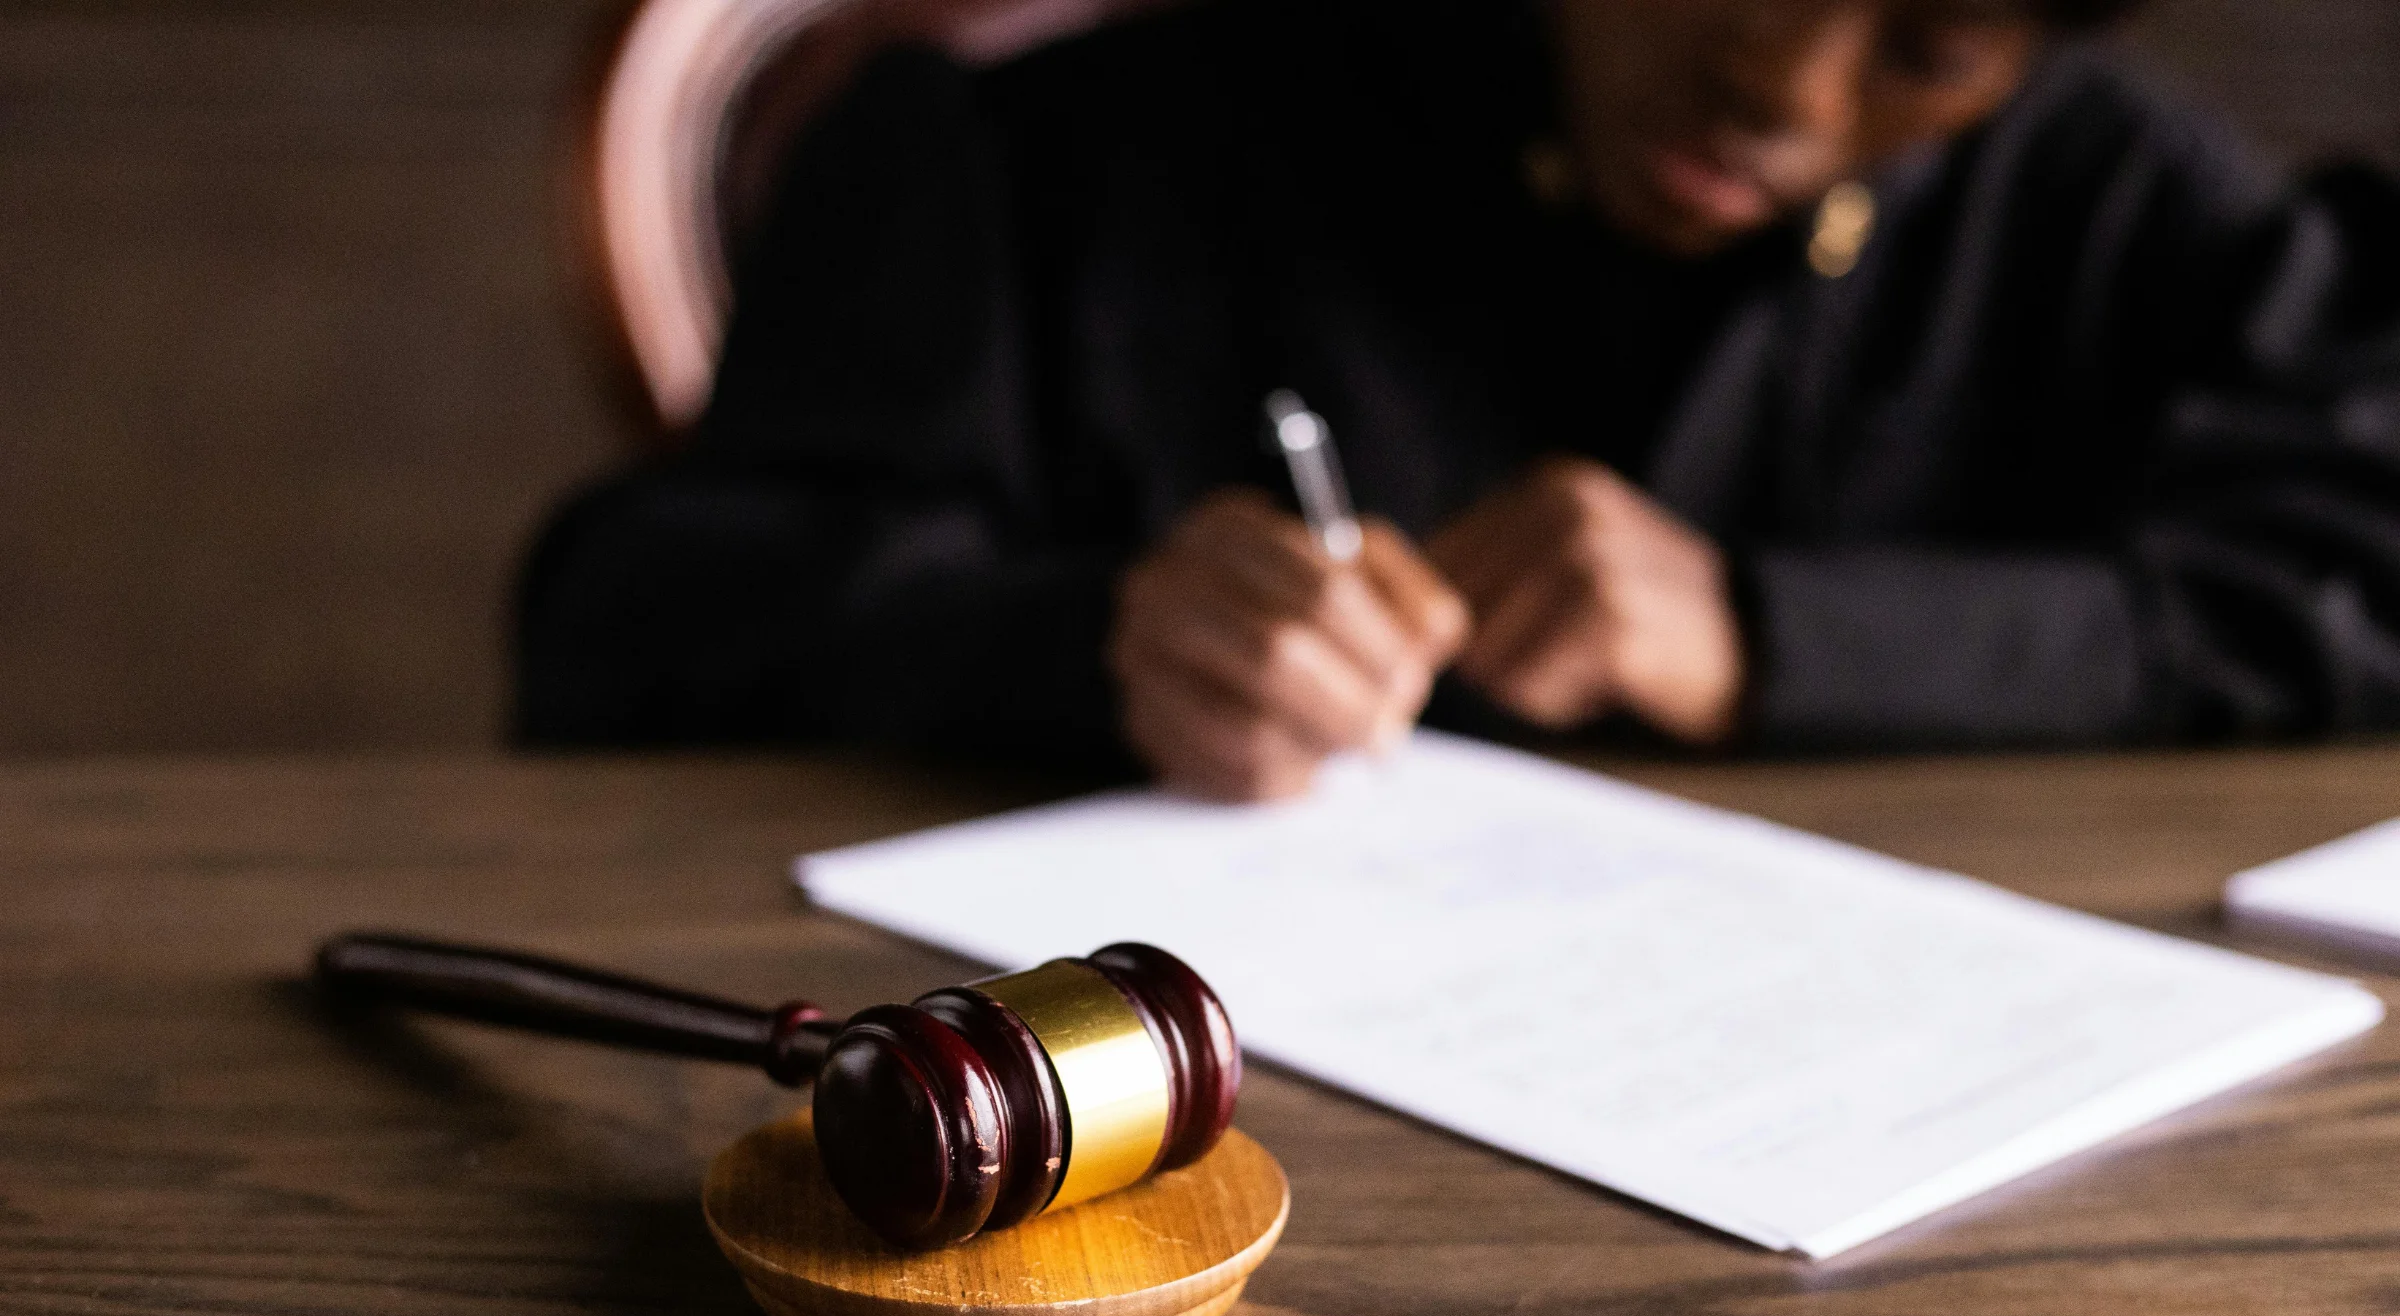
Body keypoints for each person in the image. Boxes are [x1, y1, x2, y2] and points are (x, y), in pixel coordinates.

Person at [517, 0, 2400, 801]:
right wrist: (1089, 638)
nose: (1783, 82)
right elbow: (627, 618)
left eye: (1929, 43)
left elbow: (2354, 584)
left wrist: (1775, 636)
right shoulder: (1075, 147)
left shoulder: (2110, 201)